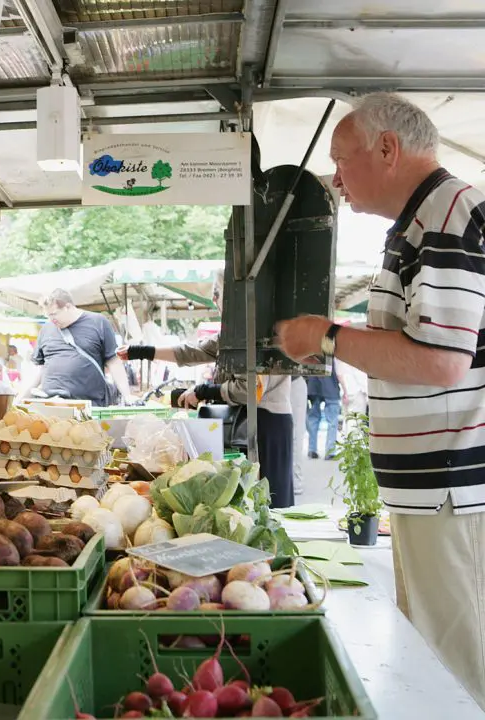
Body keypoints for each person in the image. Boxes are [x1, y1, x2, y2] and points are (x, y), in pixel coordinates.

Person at [275, 92, 485, 709]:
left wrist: (329, 336)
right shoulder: (424, 220)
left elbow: (442, 360)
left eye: (342, 160)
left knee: (455, 659)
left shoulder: (449, 213)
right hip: (434, 487)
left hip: (451, 482)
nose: (336, 179)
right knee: (435, 644)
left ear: (387, 149)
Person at [119, 272, 294, 508]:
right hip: (248, 422)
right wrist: (142, 351)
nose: (215, 300)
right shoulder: (235, 331)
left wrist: (203, 391)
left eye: (218, 293)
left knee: (268, 502)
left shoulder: (257, 331)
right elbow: (192, 352)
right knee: (249, 502)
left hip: (266, 425)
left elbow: (250, 390)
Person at [19, 288, 130, 407]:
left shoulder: (98, 322)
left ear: (68, 307)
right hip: (50, 405)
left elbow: (114, 363)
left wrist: (128, 397)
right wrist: (20, 399)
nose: (51, 319)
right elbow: (39, 370)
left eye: (54, 314)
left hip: (88, 406)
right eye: (48, 315)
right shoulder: (46, 329)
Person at [305, 363, 342, 460]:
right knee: (332, 421)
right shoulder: (332, 349)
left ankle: (312, 449)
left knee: (313, 419)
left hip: (313, 385)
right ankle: (330, 451)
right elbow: (339, 371)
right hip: (331, 386)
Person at [290, 375, 307, 495]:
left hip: (292, 381)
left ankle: (296, 481)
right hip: (293, 381)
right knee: (296, 434)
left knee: (296, 434)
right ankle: (295, 481)